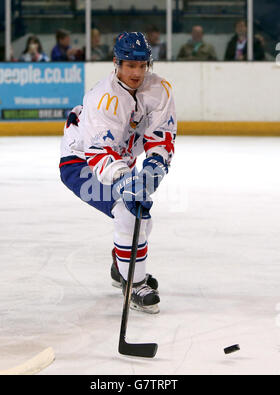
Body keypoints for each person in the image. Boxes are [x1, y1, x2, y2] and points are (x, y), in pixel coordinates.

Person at [59, 32, 177, 314]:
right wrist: (126, 180)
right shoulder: (102, 97)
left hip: (121, 159)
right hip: (81, 163)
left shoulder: (160, 89)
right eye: (129, 65)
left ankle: (120, 268)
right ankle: (134, 284)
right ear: (116, 63)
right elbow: (100, 152)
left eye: (142, 65)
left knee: (142, 219)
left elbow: (162, 136)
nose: (136, 72)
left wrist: (152, 172)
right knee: (128, 212)